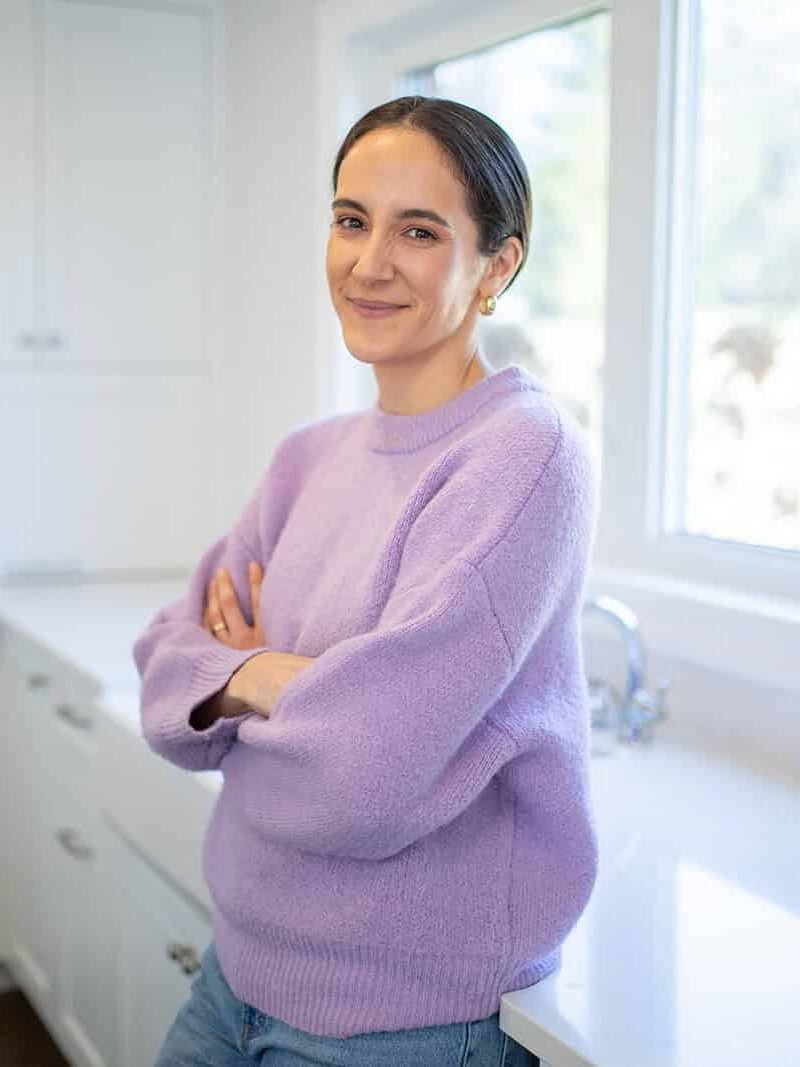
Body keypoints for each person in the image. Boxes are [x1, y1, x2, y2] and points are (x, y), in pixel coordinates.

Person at [133, 95, 599, 1066]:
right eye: (350, 220)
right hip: (237, 971)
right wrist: (281, 677)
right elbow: (163, 675)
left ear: (496, 266)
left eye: (417, 231)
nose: (367, 262)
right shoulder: (308, 458)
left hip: (403, 1018)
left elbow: (364, 775)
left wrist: (239, 674)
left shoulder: (521, 454)